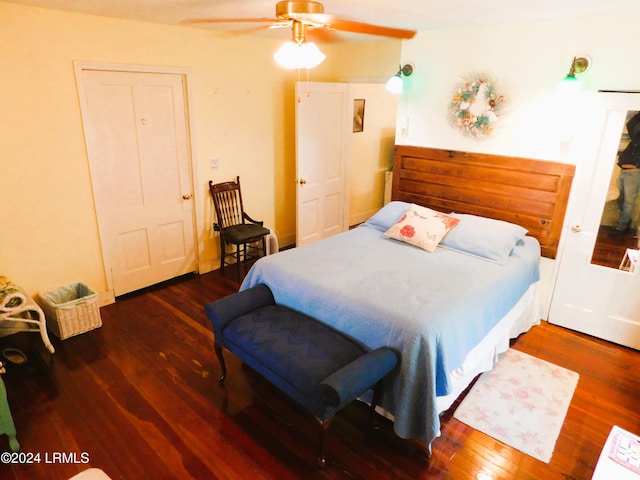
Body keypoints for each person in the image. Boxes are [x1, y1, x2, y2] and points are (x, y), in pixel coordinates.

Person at [611, 112, 640, 235]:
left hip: (634, 174)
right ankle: (625, 222)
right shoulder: (635, 140)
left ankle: (620, 228)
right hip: (624, 172)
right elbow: (631, 124)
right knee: (620, 200)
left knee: (628, 203)